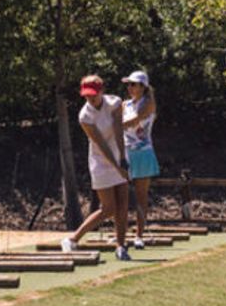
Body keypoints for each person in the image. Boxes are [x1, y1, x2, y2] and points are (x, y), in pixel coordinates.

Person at [62, 74, 132, 261]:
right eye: (86, 95)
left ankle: (121, 247)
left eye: (93, 94)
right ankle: (73, 238)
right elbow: (101, 144)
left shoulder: (115, 103)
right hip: (100, 162)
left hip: (119, 155)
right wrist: (118, 167)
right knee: (109, 208)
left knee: (123, 204)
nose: (90, 99)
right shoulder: (85, 116)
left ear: (101, 90)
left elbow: (118, 131)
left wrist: (123, 159)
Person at [120, 71, 160, 250]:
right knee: (121, 195)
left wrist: (108, 128)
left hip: (143, 153)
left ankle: (139, 235)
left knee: (141, 196)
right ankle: (120, 233)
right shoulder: (124, 104)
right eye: (128, 84)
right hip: (125, 153)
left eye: (133, 84)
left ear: (143, 87)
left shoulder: (149, 103)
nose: (130, 87)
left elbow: (133, 122)